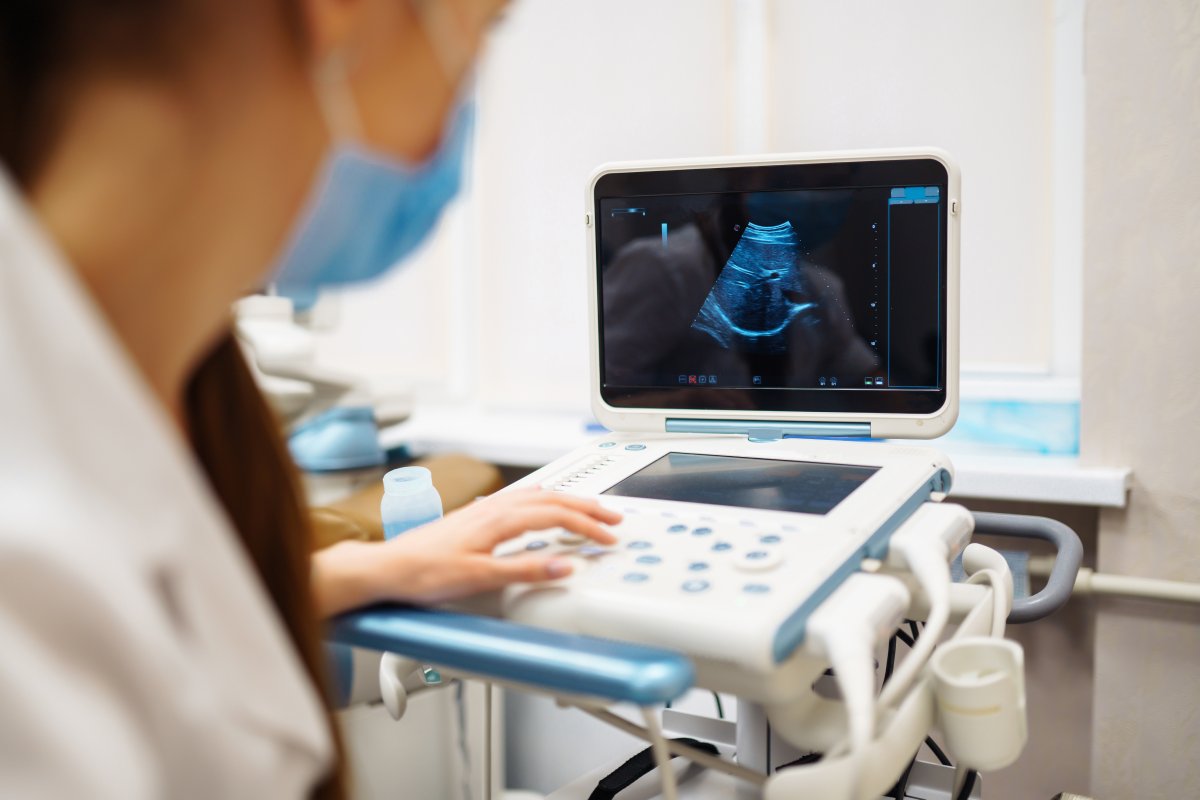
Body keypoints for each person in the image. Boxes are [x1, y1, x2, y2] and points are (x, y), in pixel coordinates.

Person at [0, 1, 619, 797]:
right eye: (485, 23)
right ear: (344, 15)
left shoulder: (155, 382)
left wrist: (366, 567)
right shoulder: (30, 567)